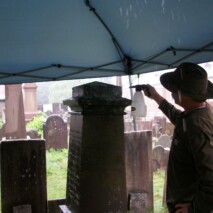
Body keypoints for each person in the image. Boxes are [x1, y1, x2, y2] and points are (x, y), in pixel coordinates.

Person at [143, 62, 213, 213]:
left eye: (174, 90)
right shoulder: (197, 112)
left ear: (183, 94)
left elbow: (211, 177)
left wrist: (193, 209)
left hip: (186, 204)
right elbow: (179, 118)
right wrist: (156, 96)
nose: (172, 93)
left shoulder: (197, 127)